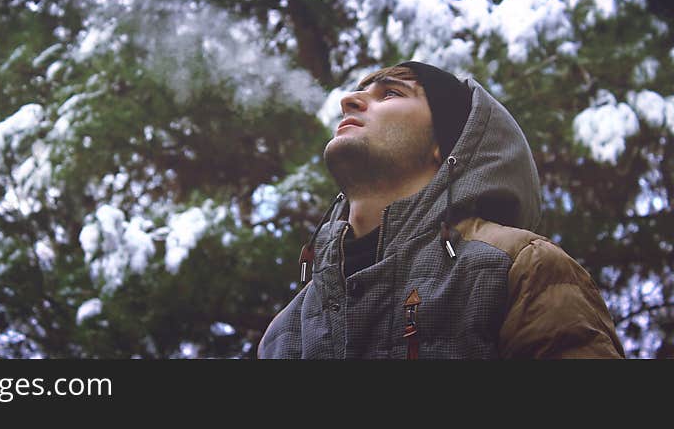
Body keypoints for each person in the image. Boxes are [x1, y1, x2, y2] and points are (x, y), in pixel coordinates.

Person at [257, 61, 624, 359]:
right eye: (359, 91)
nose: (350, 100)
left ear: (446, 145)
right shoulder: (282, 334)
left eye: (391, 93)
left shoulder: (519, 267)